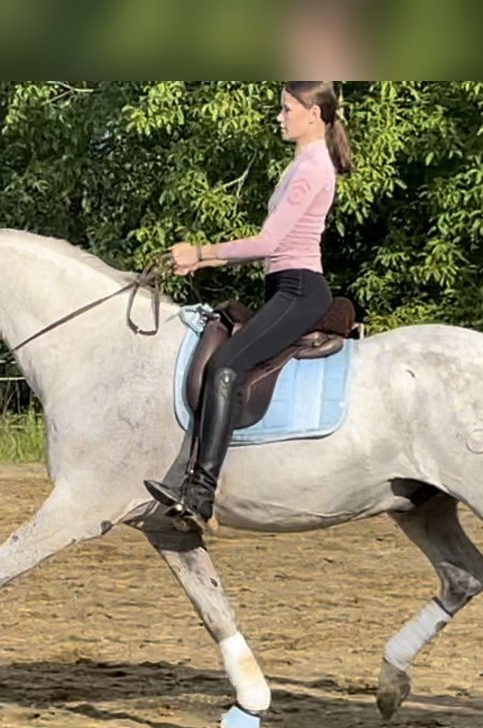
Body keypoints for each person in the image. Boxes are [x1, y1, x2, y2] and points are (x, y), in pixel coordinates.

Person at [145, 80, 355, 533]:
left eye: (286, 109)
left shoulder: (311, 167)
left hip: (298, 290)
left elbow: (269, 242)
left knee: (225, 367)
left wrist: (201, 254)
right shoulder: (305, 162)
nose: (279, 117)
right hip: (286, 287)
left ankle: (200, 493)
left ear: (313, 114)